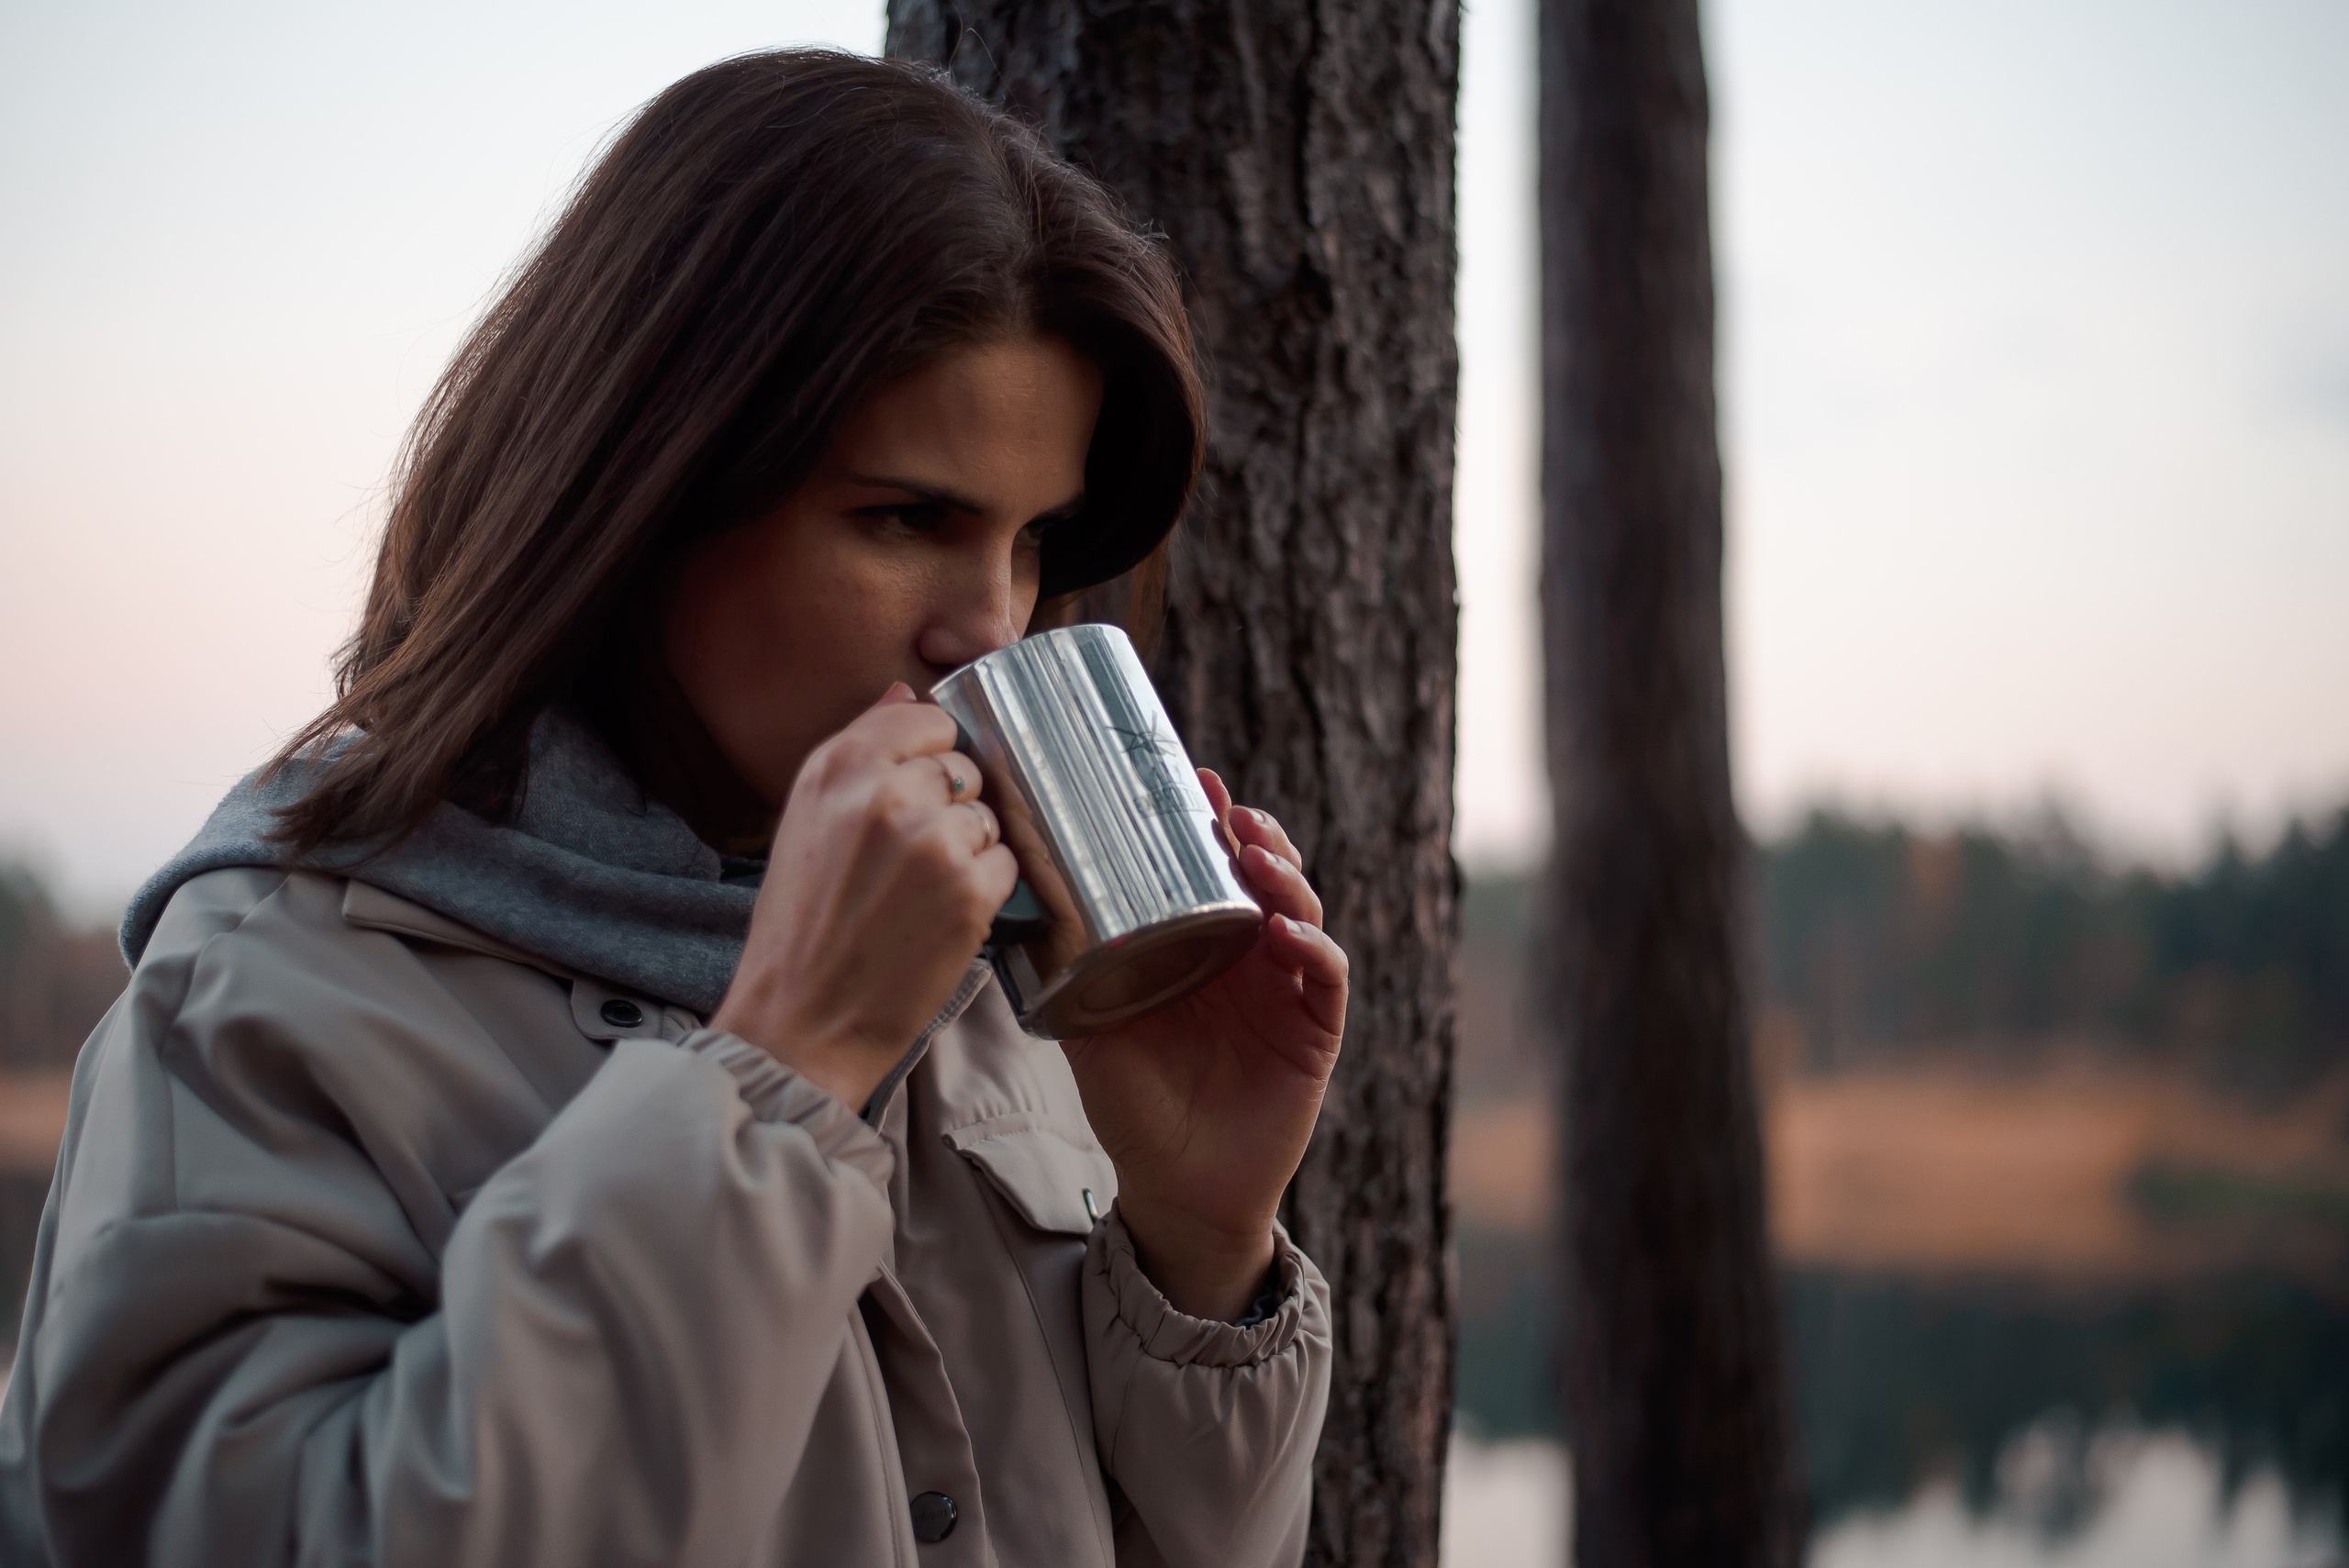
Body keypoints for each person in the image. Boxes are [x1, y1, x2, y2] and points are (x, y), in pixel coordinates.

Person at [0, 50, 1343, 1568]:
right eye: (907, 517)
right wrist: (782, 1066)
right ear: (647, 487)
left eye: (1034, 541)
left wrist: (1200, 1244)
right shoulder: (270, 996)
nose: (992, 624)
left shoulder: (994, 993)